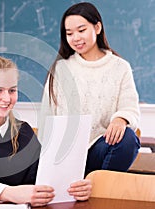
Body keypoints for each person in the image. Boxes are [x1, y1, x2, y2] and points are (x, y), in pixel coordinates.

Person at [0, 55, 91, 207]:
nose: (6, 98)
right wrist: (8, 193)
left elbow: (41, 176)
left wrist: (74, 188)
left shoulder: (24, 131)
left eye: (12, 90)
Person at [39, 2, 140, 176]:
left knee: (129, 139)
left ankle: (95, 186)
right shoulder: (61, 69)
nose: (75, 38)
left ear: (98, 27)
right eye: (69, 33)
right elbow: (46, 119)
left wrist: (120, 120)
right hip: (65, 154)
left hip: (98, 149)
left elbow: (129, 107)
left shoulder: (120, 67)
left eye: (81, 30)